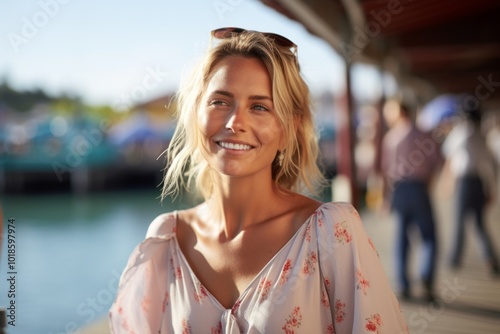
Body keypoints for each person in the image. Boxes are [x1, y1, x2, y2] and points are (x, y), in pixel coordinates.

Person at [109, 27, 408, 333]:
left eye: (260, 107)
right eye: (220, 102)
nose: (235, 122)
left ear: (289, 129)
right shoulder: (167, 239)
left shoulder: (330, 232)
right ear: (195, 113)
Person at [381, 99, 442, 302]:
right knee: (429, 237)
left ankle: (403, 284)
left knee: (401, 239)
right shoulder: (423, 134)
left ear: (399, 112)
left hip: (399, 189)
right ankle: (426, 276)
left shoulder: (390, 138)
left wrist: (385, 197)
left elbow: (385, 171)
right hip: (419, 187)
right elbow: (436, 163)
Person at [442, 104, 499, 274]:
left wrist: (446, 182)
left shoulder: (461, 132)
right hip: (479, 182)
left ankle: (454, 258)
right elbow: (492, 164)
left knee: (459, 222)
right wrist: (491, 188)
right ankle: (490, 259)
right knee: (480, 223)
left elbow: (449, 156)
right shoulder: (482, 135)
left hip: (464, 182)